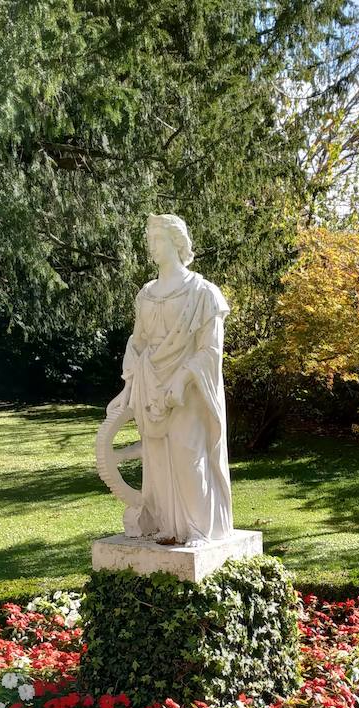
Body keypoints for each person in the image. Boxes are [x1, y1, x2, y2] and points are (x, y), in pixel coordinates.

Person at [110, 214, 233, 544]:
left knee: (187, 452)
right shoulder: (146, 295)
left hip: (188, 389)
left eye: (158, 239)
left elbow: (210, 350)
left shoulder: (203, 294)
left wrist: (182, 379)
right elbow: (137, 342)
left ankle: (197, 528)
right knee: (157, 458)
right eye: (149, 239)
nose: (152, 245)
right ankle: (168, 524)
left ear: (177, 242)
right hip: (150, 384)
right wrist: (128, 387)